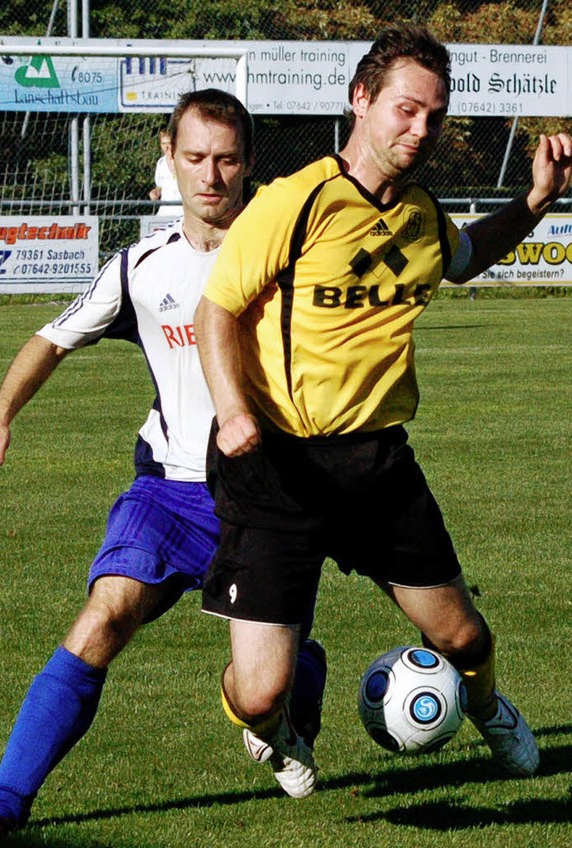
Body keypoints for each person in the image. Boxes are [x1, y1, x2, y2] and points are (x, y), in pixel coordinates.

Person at [194, 25, 572, 796]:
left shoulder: (421, 215)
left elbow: (465, 259)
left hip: (376, 466)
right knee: (259, 691)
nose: (420, 130)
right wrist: (232, 410)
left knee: (464, 636)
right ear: (360, 100)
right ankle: (274, 732)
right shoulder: (293, 203)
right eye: (406, 109)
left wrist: (534, 202)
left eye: (434, 116)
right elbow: (216, 311)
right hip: (274, 464)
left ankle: (491, 709)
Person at [0, 88, 327, 842]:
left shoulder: (289, 256)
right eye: (194, 157)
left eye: (226, 159)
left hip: (264, 501)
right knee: (101, 617)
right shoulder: (139, 269)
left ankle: (289, 694)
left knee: (268, 688)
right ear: (169, 155)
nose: (210, 175)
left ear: (249, 163)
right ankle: (1, 807)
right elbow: (52, 338)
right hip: (166, 491)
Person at [149, 128, 184, 217]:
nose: (166, 147)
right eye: (163, 144)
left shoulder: (184, 160)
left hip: (182, 211)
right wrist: (156, 192)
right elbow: (159, 186)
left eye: (169, 143)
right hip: (164, 211)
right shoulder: (161, 163)